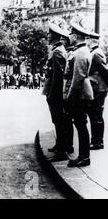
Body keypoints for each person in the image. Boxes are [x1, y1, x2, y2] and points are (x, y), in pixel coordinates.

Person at [64, 23, 94, 168]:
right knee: (80, 125)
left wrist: (70, 98)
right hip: (80, 93)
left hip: (80, 94)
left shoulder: (80, 53)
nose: (69, 37)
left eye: (71, 34)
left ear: (75, 36)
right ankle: (83, 156)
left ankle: (84, 157)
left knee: (81, 126)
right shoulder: (80, 51)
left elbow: (77, 79)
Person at [42, 24, 71, 162]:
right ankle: (60, 146)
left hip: (55, 93)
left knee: (59, 121)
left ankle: (61, 151)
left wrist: (53, 95)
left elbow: (58, 77)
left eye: (49, 34)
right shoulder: (57, 50)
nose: (47, 36)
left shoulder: (58, 51)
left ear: (53, 36)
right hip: (53, 91)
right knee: (58, 121)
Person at [87, 32, 108, 150]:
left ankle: (98, 142)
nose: (86, 41)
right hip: (97, 87)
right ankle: (95, 141)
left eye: (88, 39)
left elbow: (104, 71)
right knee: (95, 115)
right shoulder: (94, 52)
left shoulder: (96, 53)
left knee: (97, 115)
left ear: (92, 40)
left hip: (99, 88)